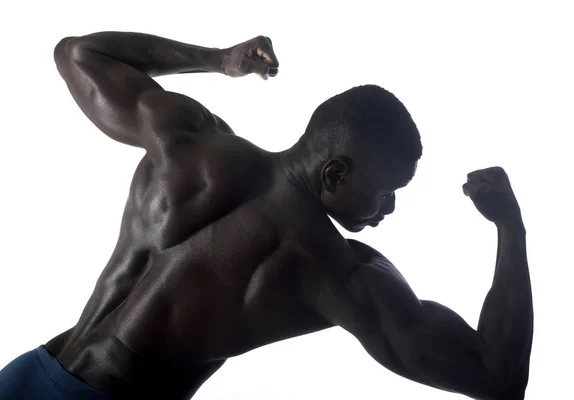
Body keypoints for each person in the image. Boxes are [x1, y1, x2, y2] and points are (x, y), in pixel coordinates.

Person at [0, 32, 533, 400]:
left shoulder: (188, 141)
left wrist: (218, 59)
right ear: (335, 175)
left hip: (31, 375)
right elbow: (497, 376)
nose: (388, 209)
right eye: (387, 191)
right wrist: (510, 226)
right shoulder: (336, 272)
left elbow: (78, 53)